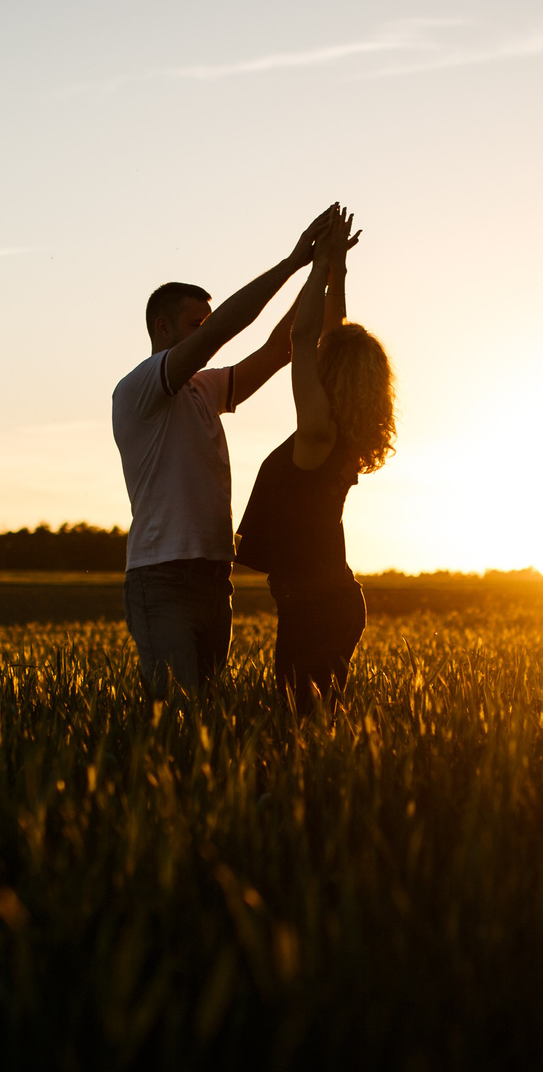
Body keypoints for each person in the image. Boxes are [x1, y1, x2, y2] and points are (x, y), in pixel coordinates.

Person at [111, 203, 345, 700]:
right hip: (163, 579)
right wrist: (292, 261)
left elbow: (283, 347)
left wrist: (326, 268)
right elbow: (230, 330)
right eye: (197, 324)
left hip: (215, 579)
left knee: (208, 717)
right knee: (175, 717)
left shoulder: (205, 389)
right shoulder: (141, 389)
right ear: (163, 328)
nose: (208, 331)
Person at [234, 205, 392, 713]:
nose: (318, 354)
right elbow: (329, 332)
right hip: (327, 602)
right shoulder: (339, 433)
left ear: (332, 371)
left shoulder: (319, 432)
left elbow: (304, 337)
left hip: (317, 608)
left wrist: (318, 262)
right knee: (312, 723)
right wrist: (337, 268)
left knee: (300, 726)